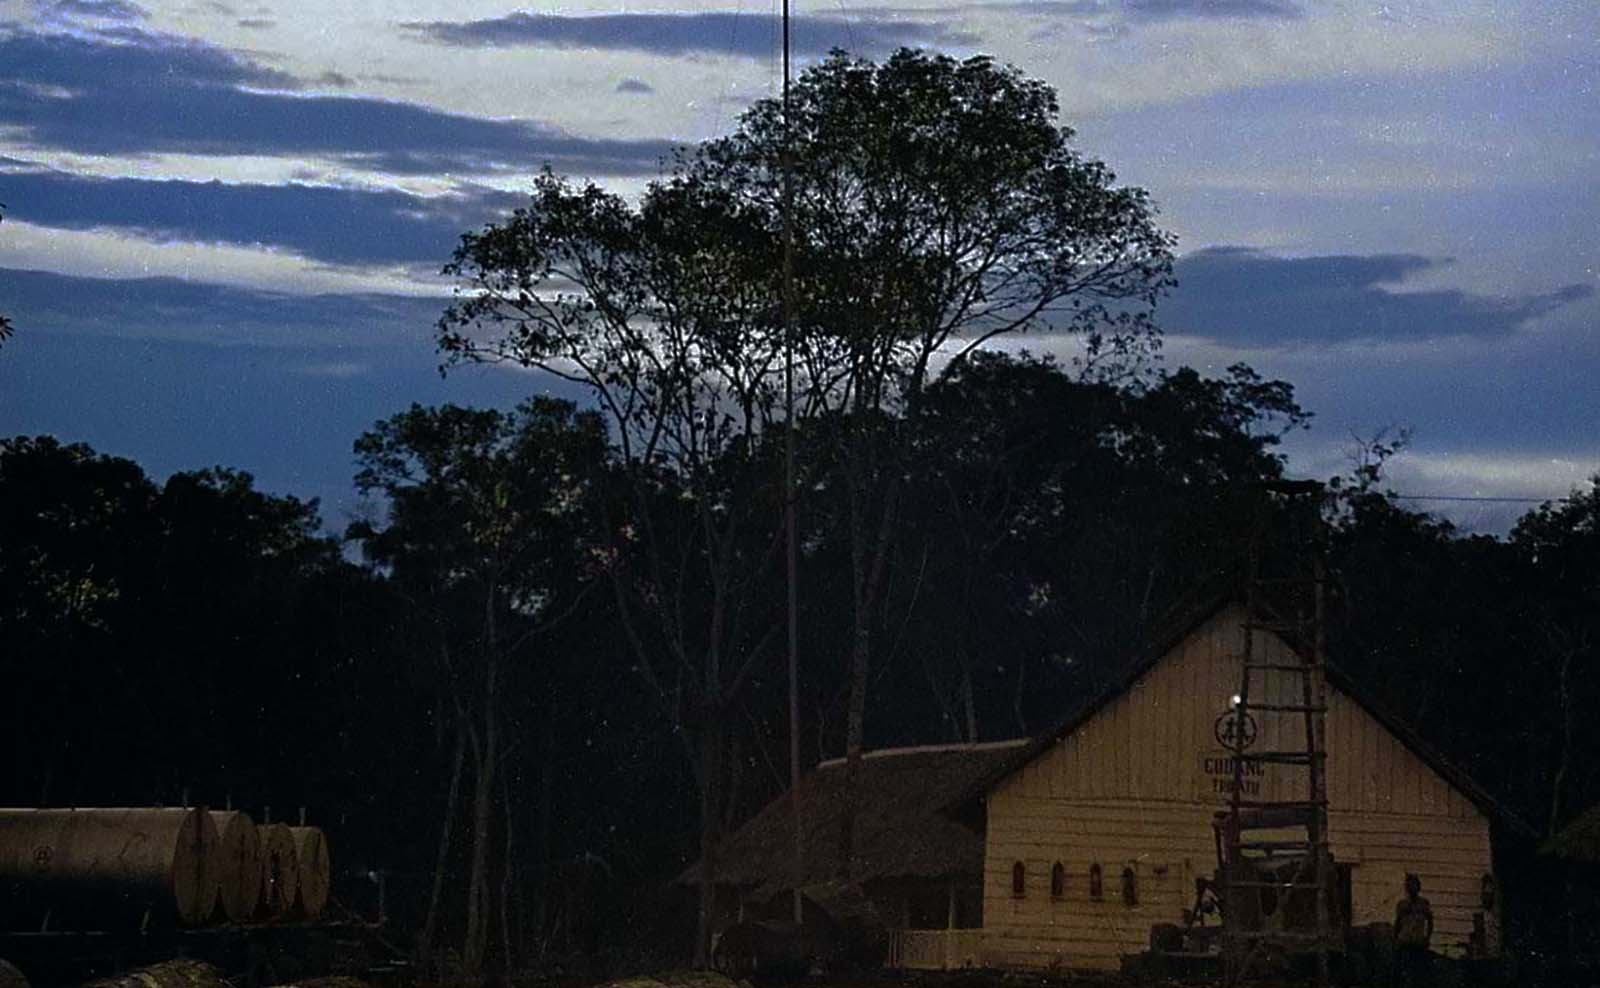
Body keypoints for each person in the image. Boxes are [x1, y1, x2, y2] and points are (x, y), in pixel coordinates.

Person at [1393, 873, 1434, 986]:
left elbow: (1430, 921)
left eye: (1415, 885)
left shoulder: (1424, 904)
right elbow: (1397, 923)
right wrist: (1396, 939)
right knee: (1403, 973)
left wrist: (1427, 938)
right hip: (1405, 942)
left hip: (1418, 942)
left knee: (1419, 973)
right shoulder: (1402, 904)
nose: (1412, 888)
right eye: (1410, 885)